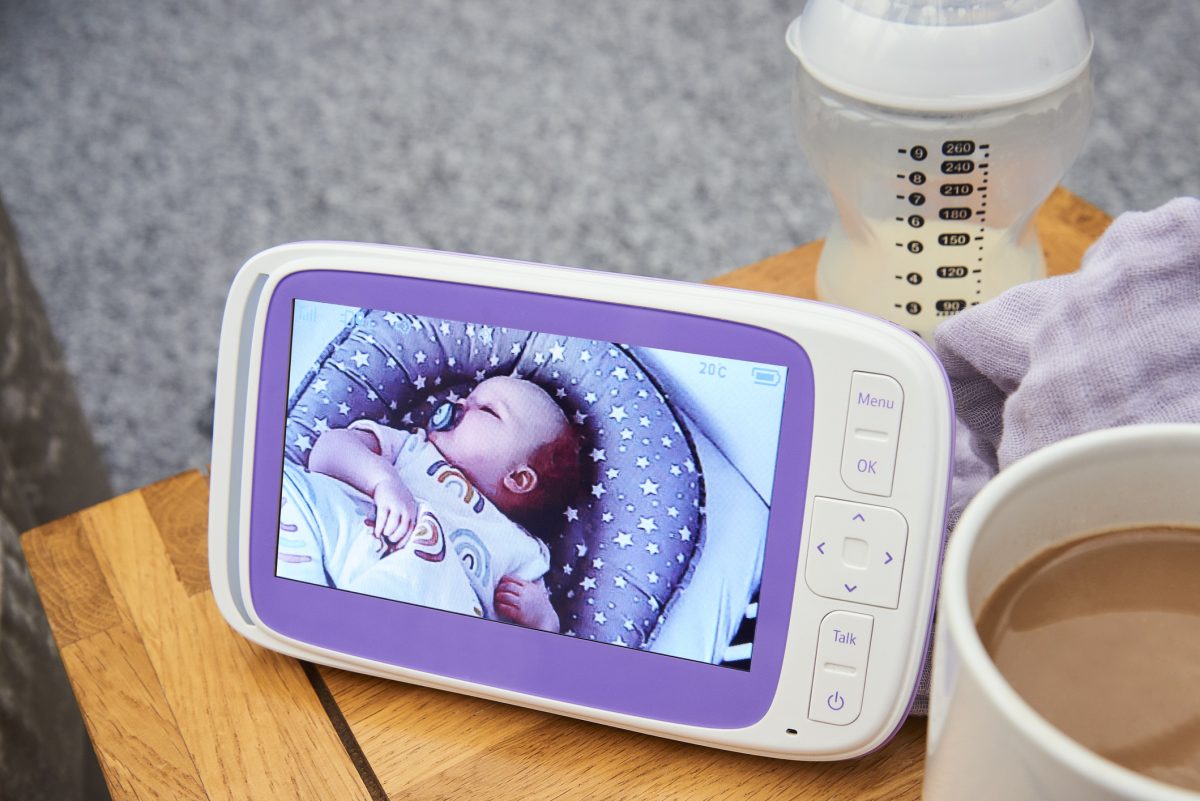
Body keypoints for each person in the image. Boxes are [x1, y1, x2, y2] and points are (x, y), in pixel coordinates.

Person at [301, 376, 580, 631]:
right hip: (344, 547)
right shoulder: (412, 449)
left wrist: (544, 620)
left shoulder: (523, 550)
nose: (459, 402)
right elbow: (327, 451)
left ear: (518, 478)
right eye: (468, 397)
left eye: (487, 410)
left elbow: (527, 652)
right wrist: (382, 481)